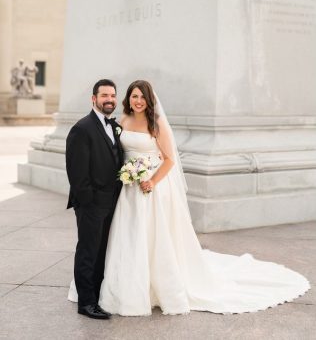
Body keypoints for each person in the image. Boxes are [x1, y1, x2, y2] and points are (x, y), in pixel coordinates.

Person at [69, 80, 310, 315]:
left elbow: (170, 159)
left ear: (149, 99)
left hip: (149, 189)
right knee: (124, 238)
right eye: (134, 96)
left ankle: (152, 287)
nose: (138, 101)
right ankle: (113, 286)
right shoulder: (121, 121)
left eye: (142, 96)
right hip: (126, 191)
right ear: (127, 99)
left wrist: (151, 180)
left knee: (150, 238)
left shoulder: (157, 123)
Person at [66, 79, 124, 319]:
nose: (109, 99)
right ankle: (86, 303)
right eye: (104, 96)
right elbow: (76, 173)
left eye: (112, 95)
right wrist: (89, 200)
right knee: (88, 252)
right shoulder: (82, 128)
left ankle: (96, 297)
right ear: (94, 99)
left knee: (101, 252)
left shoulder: (114, 126)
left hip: (111, 202)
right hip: (91, 204)